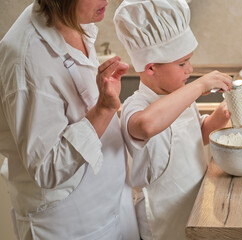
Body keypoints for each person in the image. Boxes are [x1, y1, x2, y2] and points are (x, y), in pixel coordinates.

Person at [0, 0, 139, 239]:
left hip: (110, 207)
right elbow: (47, 168)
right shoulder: (26, 58)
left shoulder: (71, 21)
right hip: (69, 224)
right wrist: (104, 109)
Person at [113, 0, 242, 239]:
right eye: (182, 63)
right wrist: (200, 85)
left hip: (194, 205)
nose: (190, 69)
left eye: (189, 61)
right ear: (150, 68)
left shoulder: (180, 96)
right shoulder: (135, 105)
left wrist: (219, 118)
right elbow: (146, 126)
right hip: (163, 221)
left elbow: (195, 137)